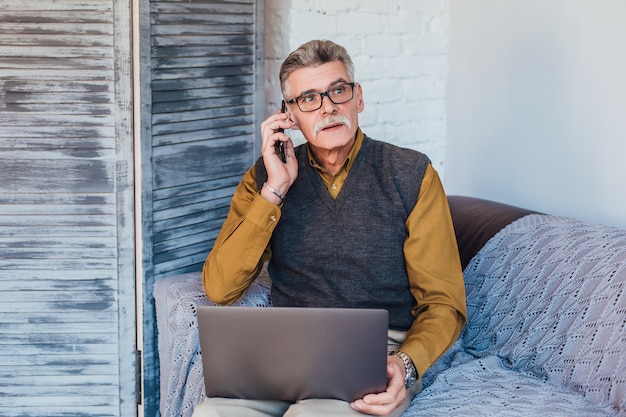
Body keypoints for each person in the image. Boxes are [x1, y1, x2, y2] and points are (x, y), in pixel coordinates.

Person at [194, 39, 466, 417]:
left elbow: (443, 302)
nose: (328, 107)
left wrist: (405, 364)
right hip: (286, 348)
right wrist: (275, 189)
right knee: (212, 413)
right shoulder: (264, 179)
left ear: (359, 99)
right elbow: (220, 290)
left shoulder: (411, 174)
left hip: (376, 352)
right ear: (289, 116)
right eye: (309, 98)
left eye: (338, 90)